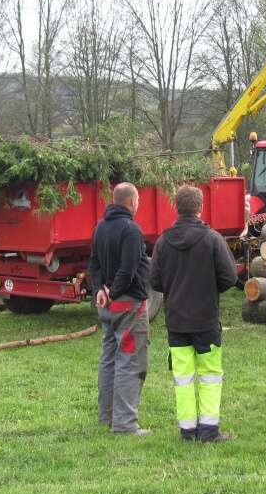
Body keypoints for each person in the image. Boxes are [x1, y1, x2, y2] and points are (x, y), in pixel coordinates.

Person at [150, 185, 238, 442]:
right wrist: (210, 290)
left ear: (175, 207)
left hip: (177, 321)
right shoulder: (212, 239)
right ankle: (209, 430)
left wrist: (174, 289)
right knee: (210, 376)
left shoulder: (163, 241)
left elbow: (154, 281)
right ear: (201, 207)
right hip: (206, 320)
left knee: (183, 378)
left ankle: (187, 430)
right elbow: (230, 277)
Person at [88, 182, 151, 436]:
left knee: (109, 359)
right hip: (128, 306)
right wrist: (112, 292)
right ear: (132, 202)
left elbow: (93, 264)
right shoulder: (131, 230)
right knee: (131, 361)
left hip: (108, 305)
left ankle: (107, 416)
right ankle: (125, 424)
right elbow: (128, 269)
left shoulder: (100, 227)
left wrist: (99, 291)